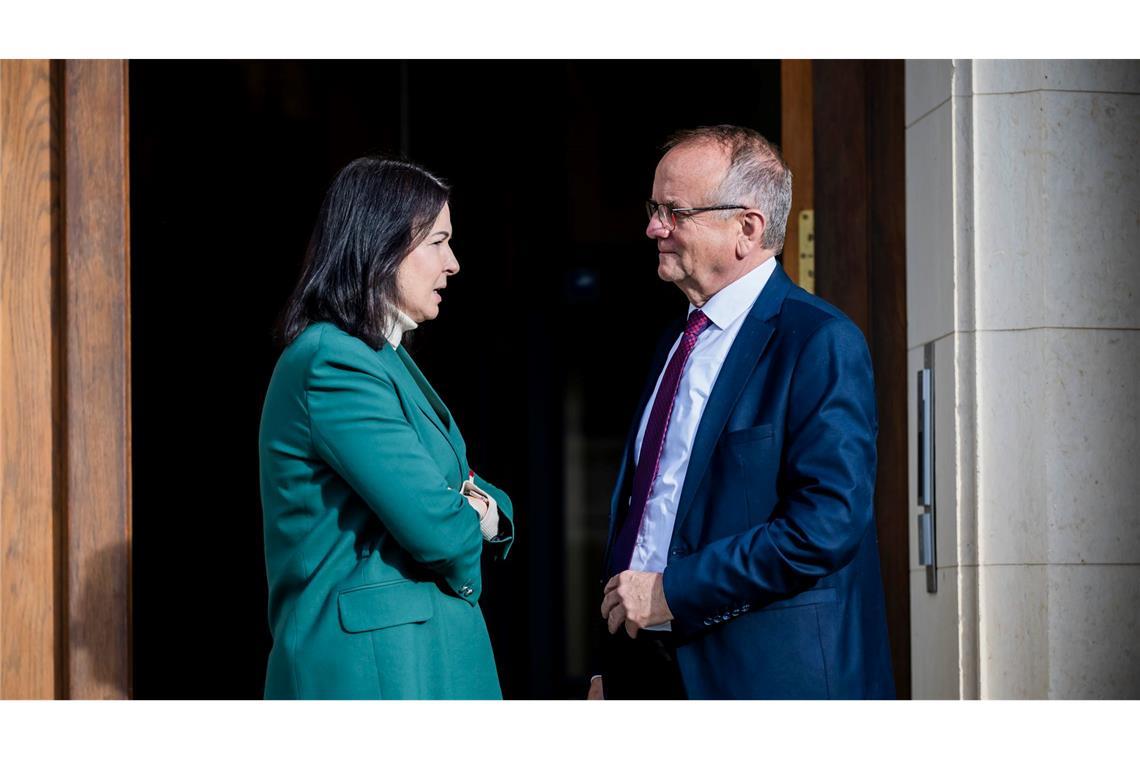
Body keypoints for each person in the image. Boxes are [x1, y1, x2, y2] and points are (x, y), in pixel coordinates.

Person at [593, 125, 893, 699]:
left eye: (674, 212)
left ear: (747, 229)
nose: (654, 227)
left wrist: (674, 591)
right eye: (654, 208)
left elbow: (825, 525)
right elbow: (646, 514)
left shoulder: (819, 340)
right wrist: (613, 666)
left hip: (765, 679)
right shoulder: (676, 341)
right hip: (649, 672)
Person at [259, 157, 513, 699]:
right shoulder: (333, 360)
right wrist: (466, 509)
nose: (454, 264)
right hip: (376, 676)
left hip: (413, 663)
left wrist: (479, 507)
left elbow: (457, 491)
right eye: (438, 242)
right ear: (384, 244)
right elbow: (435, 526)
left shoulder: (380, 356)